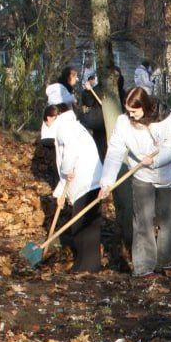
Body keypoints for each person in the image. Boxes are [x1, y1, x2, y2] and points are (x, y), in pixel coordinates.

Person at [104, 88, 171, 276]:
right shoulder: (123, 122)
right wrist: (106, 181)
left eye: (134, 111)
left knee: (168, 221)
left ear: (145, 106)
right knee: (142, 222)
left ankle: (166, 262)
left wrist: (155, 161)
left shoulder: (167, 119)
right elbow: (115, 151)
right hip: (141, 177)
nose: (130, 115)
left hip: (165, 177)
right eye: (128, 111)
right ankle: (144, 267)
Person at [43, 103, 105, 273]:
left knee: (81, 226)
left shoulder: (64, 127)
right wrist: (60, 194)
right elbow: (66, 168)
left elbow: (68, 156)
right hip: (92, 179)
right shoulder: (73, 125)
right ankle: (90, 265)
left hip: (85, 181)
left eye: (46, 123)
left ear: (49, 119)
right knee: (90, 224)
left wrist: (67, 169)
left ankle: (85, 267)